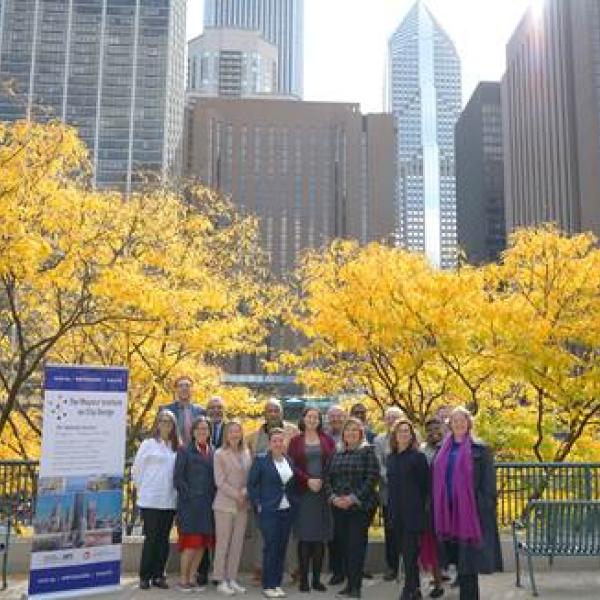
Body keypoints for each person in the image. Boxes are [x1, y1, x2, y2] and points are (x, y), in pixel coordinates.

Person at [432, 407, 503, 600]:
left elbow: (488, 483)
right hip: (447, 513)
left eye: (462, 420)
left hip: (470, 514)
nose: (459, 423)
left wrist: (483, 505)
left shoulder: (480, 449)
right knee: (457, 561)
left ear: (469, 423)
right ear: (450, 425)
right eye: (454, 420)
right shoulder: (441, 449)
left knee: (468, 564)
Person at [324, 417, 379, 599]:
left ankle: (356, 588)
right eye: (348, 430)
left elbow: (372, 478)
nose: (351, 433)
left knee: (355, 546)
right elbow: (327, 478)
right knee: (344, 546)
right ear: (343, 434)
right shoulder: (336, 452)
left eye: (355, 430)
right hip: (338, 506)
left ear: (361, 433)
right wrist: (333, 497)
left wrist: (353, 498)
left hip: (360, 507)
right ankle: (349, 584)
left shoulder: (368, 451)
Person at [246, 398, 299, 585]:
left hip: (287, 493)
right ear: (264, 413)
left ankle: (292, 569)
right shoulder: (252, 437)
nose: (273, 413)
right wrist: (256, 499)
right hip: (265, 495)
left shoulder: (293, 432)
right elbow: (250, 467)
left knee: (288, 534)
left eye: (276, 410)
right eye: (269, 410)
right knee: (261, 535)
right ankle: (260, 569)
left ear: (281, 412)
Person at [288, 407, 336, 593]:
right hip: (303, 493)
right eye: (310, 416)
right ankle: (304, 580)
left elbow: (333, 463)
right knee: (305, 538)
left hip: (322, 493)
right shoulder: (295, 441)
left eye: (316, 417)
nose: (312, 419)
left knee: (319, 539)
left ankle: (316, 579)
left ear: (319, 420)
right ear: (304, 419)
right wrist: (307, 479)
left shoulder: (328, 440)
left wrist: (321, 480)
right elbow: (291, 464)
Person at [132, 410, 179, 591]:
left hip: (169, 500)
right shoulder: (148, 444)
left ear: (173, 426)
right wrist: (143, 490)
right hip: (150, 499)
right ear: (157, 424)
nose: (165, 424)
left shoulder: (176, 447)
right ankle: (145, 576)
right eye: (162, 421)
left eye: (169, 421)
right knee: (151, 538)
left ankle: (159, 575)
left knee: (163, 539)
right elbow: (136, 470)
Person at [387, 419, 430, 600]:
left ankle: (409, 589)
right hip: (396, 513)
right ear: (395, 436)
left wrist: (422, 511)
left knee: (411, 553)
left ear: (411, 435)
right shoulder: (391, 458)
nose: (403, 434)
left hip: (413, 513)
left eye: (407, 431)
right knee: (405, 552)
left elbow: (425, 486)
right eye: (400, 431)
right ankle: (416, 589)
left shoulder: (418, 457)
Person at [173, 416, 216, 593]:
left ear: (209, 432)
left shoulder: (213, 450)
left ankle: (192, 578)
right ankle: (183, 579)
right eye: (198, 429)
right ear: (193, 432)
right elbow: (178, 478)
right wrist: (189, 496)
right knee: (190, 544)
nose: (202, 432)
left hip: (207, 505)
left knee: (202, 544)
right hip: (190, 505)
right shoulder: (184, 450)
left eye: (205, 429)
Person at [212, 420, 252, 596]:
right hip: (224, 505)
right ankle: (220, 579)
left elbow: (250, 478)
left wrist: (244, 492)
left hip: (243, 505)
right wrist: (237, 495)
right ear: (226, 435)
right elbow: (219, 481)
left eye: (238, 431)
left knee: (237, 544)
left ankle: (232, 578)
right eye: (231, 432)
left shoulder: (246, 452)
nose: (235, 435)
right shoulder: (219, 454)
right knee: (223, 544)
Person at [373, 406, 404, 581]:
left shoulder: (409, 436)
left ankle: (408, 565)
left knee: (407, 531)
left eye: (395, 417)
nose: (392, 421)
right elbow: (379, 466)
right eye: (389, 418)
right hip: (388, 494)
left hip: (407, 496)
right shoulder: (379, 440)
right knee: (391, 532)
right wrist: (394, 480)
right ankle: (392, 566)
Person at [420, 416, 446, 598]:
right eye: (429, 430)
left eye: (436, 428)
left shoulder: (448, 448)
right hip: (427, 505)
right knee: (432, 545)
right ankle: (437, 582)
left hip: (446, 504)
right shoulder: (422, 450)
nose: (433, 432)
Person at [160, 376, 206, 447]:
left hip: (194, 452)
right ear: (176, 390)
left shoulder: (201, 411)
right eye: (180, 386)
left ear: (192, 390)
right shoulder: (166, 410)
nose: (184, 388)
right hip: (172, 451)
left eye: (187, 386)